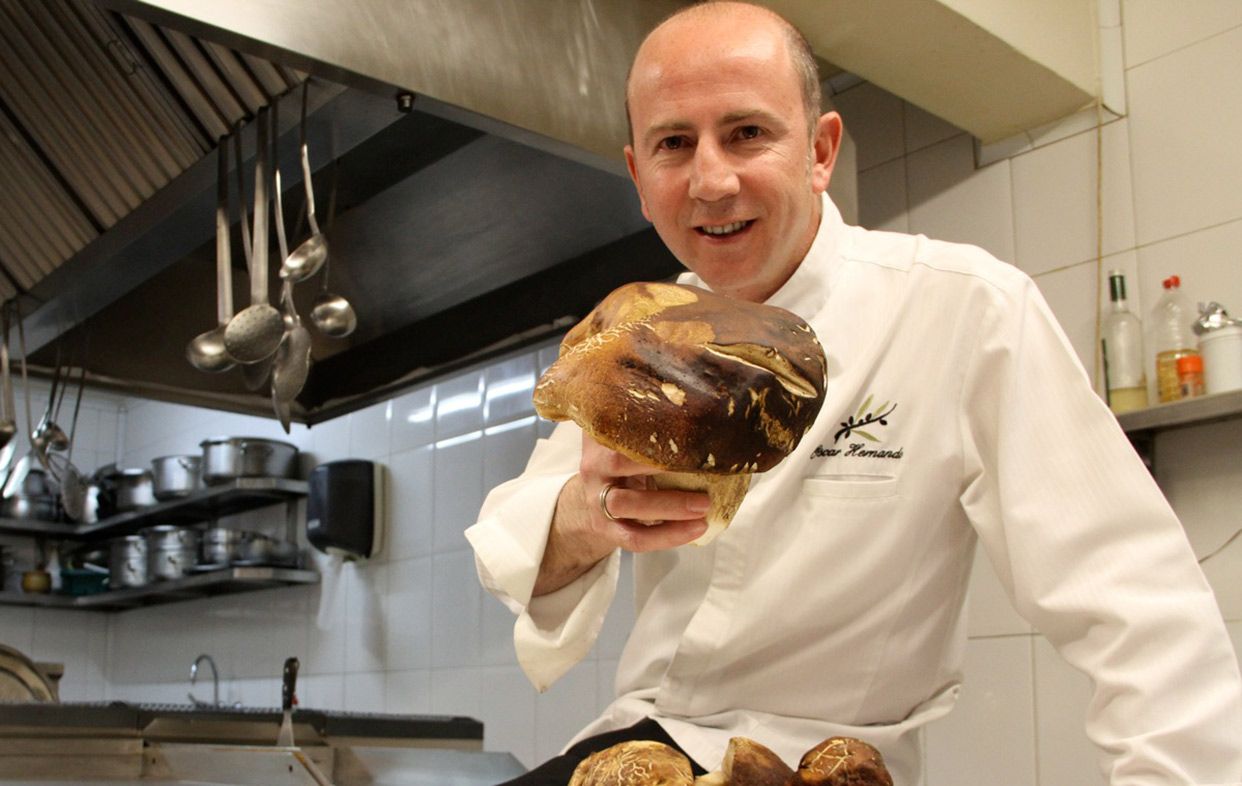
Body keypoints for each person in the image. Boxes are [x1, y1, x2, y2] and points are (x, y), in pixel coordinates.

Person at [465, 2, 1242, 784]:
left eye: (746, 133)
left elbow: (1137, 603)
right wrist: (589, 514)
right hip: (643, 751)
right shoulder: (639, 337)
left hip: (829, 765)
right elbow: (518, 549)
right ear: (639, 175)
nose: (711, 179)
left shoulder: (962, 309)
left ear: (821, 150)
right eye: (674, 143)